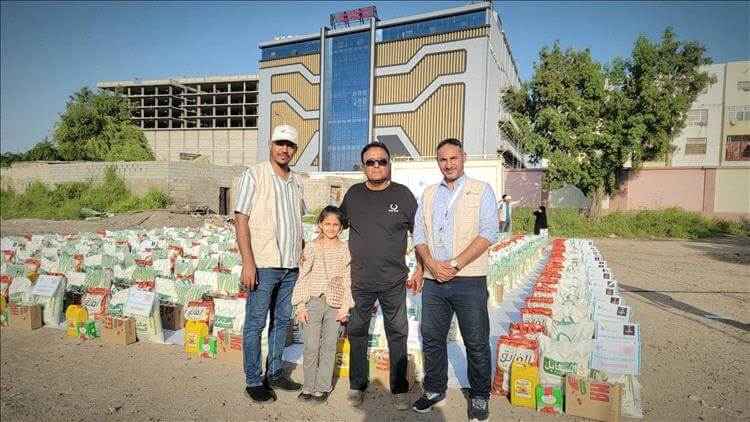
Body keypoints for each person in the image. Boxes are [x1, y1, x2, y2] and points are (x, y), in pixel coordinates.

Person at [411, 138, 499, 421]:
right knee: (433, 338)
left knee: (476, 340)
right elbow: (419, 234)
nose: (448, 164)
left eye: (453, 158)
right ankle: (435, 389)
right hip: (434, 279)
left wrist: (454, 263)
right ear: (437, 162)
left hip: (468, 279)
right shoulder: (428, 194)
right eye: (443, 159)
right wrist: (431, 265)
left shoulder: (481, 190)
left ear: (464, 158)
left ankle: (480, 395)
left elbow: (488, 232)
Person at [339, 141, 422, 411]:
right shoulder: (353, 194)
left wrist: (421, 268)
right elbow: (335, 226)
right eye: (370, 162)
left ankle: (399, 388)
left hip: (393, 280)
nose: (376, 166)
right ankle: (357, 385)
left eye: (381, 161)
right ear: (363, 166)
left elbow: (419, 235)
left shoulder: (403, 195)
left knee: (397, 332)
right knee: (357, 332)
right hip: (360, 280)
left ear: (389, 164)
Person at [234, 125, 306, 404]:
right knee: (255, 324)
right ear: (270, 144)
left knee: (281, 322)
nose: (284, 149)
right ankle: (253, 380)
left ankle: (275, 372)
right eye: (280, 143)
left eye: (289, 145)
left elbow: (297, 221)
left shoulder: (296, 181)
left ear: (295, 149)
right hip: (264, 264)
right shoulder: (254, 175)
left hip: (291, 266)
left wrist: (303, 255)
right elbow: (241, 219)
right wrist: (248, 263)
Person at [291, 206, 354, 404]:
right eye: (327, 223)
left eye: (336, 224)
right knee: (311, 346)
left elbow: (348, 279)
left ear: (341, 227)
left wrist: (345, 307)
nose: (331, 228)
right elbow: (303, 277)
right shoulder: (311, 247)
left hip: (335, 303)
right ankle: (308, 385)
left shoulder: (345, 249)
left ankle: (323, 387)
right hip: (313, 301)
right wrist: (300, 306)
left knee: (328, 346)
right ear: (320, 224)